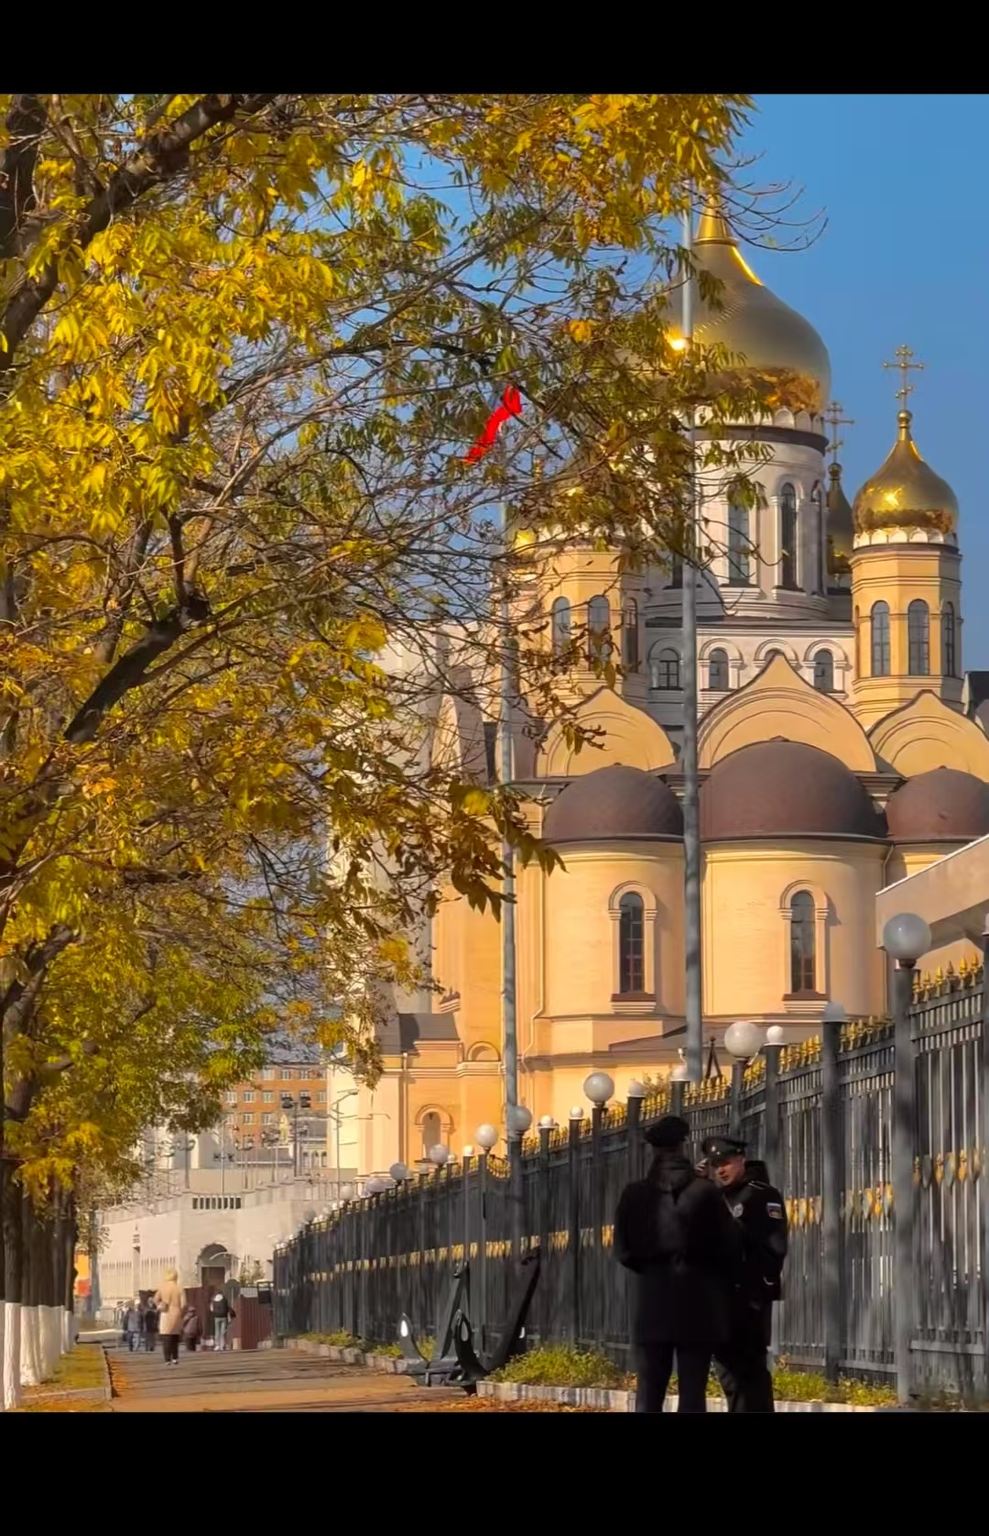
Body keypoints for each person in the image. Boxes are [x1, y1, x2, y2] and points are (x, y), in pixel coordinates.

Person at [615, 1114, 740, 1413]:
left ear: (654, 1150)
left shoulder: (634, 1195)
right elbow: (730, 1247)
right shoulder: (706, 1192)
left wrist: (653, 1268)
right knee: (693, 1392)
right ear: (683, 1146)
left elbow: (623, 1251)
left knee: (649, 1391)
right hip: (699, 1302)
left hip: (653, 1301)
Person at [702, 1135, 789, 1414]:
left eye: (725, 1163)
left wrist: (757, 1292)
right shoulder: (718, 1196)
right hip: (721, 1301)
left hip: (748, 1301)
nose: (721, 1170)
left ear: (741, 1159)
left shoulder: (761, 1194)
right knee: (730, 1375)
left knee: (748, 1374)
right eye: (715, 1165)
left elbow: (774, 1249)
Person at [153, 1268, 186, 1366]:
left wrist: (160, 1305)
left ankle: (167, 1359)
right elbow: (184, 1304)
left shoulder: (162, 1287)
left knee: (166, 1338)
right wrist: (180, 1311)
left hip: (165, 1314)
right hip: (176, 1313)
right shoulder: (179, 1288)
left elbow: (155, 1299)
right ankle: (175, 1357)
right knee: (175, 1338)